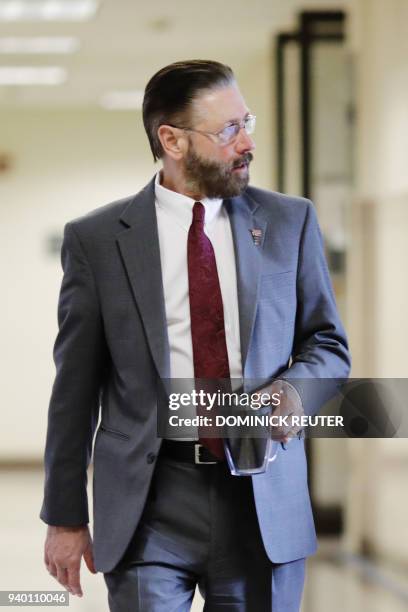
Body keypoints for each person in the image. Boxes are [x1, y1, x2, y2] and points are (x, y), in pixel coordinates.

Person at [40, 59, 351, 611]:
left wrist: (294, 393)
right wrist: (65, 516)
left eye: (246, 121)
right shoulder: (98, 241)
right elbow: (75, 389)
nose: (247, 141)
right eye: (229, 129)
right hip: (148, 504)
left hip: (261, 499)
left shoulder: (288, 222)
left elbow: (327, 344)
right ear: (172, 140)